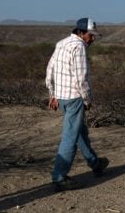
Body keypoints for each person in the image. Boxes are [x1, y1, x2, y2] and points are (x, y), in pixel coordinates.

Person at [46, 17, 109, 192]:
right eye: (91, 35)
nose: (93, 39)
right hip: (74, 98)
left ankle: (96, 164)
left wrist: (52, 94)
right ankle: (59, 178)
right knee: (70, 138)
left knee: (79, 131)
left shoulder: (61, 43)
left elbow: (49, 69)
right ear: (81, 32)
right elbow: (81, 79)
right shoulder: (79, 47)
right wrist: (87, 99)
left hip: (62, 98)